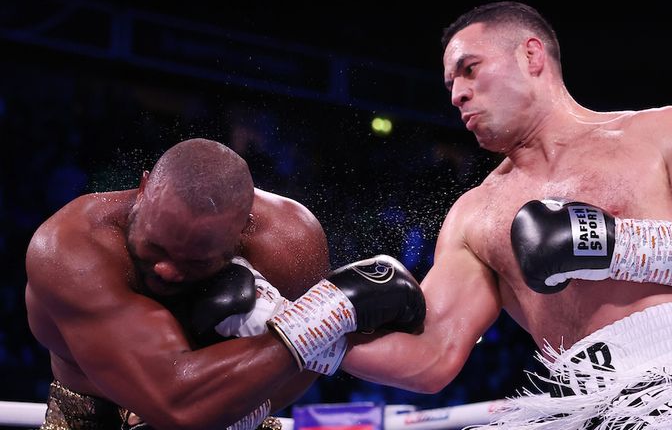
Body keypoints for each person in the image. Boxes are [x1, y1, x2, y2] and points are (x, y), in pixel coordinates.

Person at [341, 2, 672, 428]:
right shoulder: (475, 214)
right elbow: (431, 355)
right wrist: (309, 331)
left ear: (531, 55)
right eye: (451, 84)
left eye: (469, 69)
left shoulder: (659, 134)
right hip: (586, 407)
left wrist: (617, 244)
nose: (457, 95)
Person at [25, 138, 426, 430]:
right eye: (154, 247)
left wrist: (237, 415)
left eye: (194, 261)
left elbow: (301, 371)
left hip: (237, 411)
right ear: (145, 188)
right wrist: (328, 311)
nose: (165, 270)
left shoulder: (287, 242)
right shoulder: (72, 245)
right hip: (92, 416)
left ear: (241, 232)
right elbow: (173, 401)